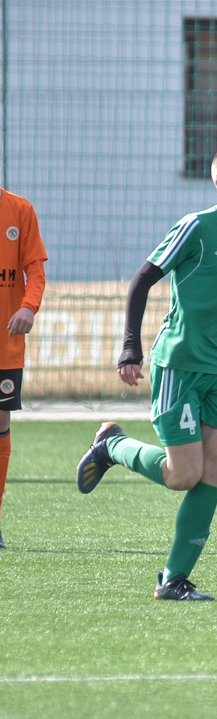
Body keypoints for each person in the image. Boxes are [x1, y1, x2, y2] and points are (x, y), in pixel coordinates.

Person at [76, 144, 217, 601]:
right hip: (179, 365)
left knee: (214, 469)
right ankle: (112, 445)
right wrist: (131, 348)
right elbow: (142, 279)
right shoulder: (197, 228)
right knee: (183, 475)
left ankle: (173, 579)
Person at [0, 188, 48, 550]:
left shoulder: (19, 209)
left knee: (0, 424)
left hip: (6, 343)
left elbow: (35, 270)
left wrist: (29, 306)